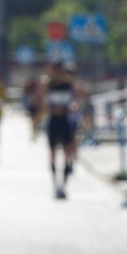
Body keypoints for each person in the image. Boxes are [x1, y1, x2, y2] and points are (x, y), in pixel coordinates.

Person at [43, 61, 79, 198]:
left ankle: (63, 185)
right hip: (53, 120)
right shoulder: (48, 84)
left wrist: (74, 105)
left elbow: (75, 98)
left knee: (67, 153)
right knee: (52, 153)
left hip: (65, 120)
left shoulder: (69, 84)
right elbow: (44, 102)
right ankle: (55, 184)